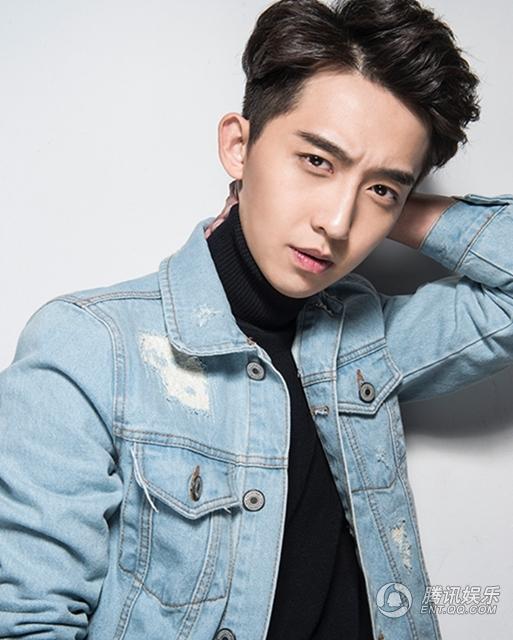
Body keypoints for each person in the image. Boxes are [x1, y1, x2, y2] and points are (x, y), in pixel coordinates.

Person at [0, 0, 511, 638]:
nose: (337, 223)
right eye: (317, 161)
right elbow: (29, 623)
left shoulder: (363, 345)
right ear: (239, 146)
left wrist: (390, 198)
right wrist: (372, 185)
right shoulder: (91, 350)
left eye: (381, 190)